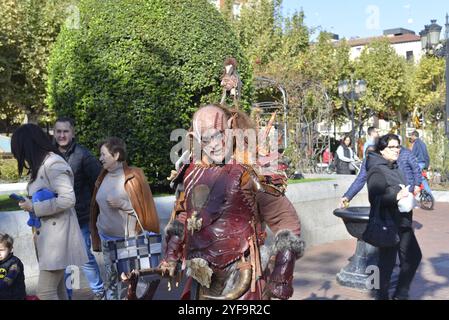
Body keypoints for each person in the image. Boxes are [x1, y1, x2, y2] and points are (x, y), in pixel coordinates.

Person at [158, 104, 304, 300]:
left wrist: (282, 274)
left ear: (231, 127)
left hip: (244, 275)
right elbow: (185, 215)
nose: (214, 144)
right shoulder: (192, 171)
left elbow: (286, 221)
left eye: (218, 134)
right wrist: (171, 255)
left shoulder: (251, 170)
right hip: (201, 277)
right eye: (206, 138)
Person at [11, 124, 88, 300]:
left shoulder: (53, 163)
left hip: (57, 241)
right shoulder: (44, 164)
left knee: (45, 292)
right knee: (60, 291)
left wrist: (34, 207)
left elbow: (68, 199)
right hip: (50, 240)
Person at [90, 137, 160, 300]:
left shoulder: (135, 176)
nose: (100, 158)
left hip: (129, 242)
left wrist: (123, 204)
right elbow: (95, 206)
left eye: (103, 154)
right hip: (107, 240)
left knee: (133, 284)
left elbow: (146, 209)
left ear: (116, 155)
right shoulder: (102, 176)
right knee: (110, 282)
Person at [53, 117, 105, 300]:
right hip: (57, 217)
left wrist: (93, 209)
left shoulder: (83, 154)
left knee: (83, 257)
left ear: (72, 133)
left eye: (65, 131)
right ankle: (66, 294)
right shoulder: (50, 154)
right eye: (58, 131)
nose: (62, 135)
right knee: (63, 259)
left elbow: (99, 182)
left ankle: (99, 291)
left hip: (79, 217)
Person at [366, 134, 422, 300]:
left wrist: (408, 196)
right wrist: (397, 196)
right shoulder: (377, 169)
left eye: (398, 146)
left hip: (403, 222)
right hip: (388, 224)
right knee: (386, 265)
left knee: (413, 257)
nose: (397, 149)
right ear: (382, 149)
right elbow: (375, 198)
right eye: (392, 147)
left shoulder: (394, 166)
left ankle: (401, 293)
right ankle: (382, 296)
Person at [340, 143, 422, 208]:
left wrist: (416, 185)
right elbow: (360, 179)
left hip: (401, 193)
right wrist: (347, 196)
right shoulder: (368, 162)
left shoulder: (397, 157)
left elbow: (414, 170)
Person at [0, 233, 26, 300]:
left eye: (1, 250)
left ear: (10, 249)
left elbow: (8, 281)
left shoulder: (15, 263)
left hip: (14, 296)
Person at [410, 130, 432, 196]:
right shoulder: (423, 143)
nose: (411, 137)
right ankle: (427, 194)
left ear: (414, 136)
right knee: (422, 178)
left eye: (411, 136)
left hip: (418, 163)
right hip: (423, 163)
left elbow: (413, 154)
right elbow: (426, 154)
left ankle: (427, 195)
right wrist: (427, 164)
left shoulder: (416, 143)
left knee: (416, 177)